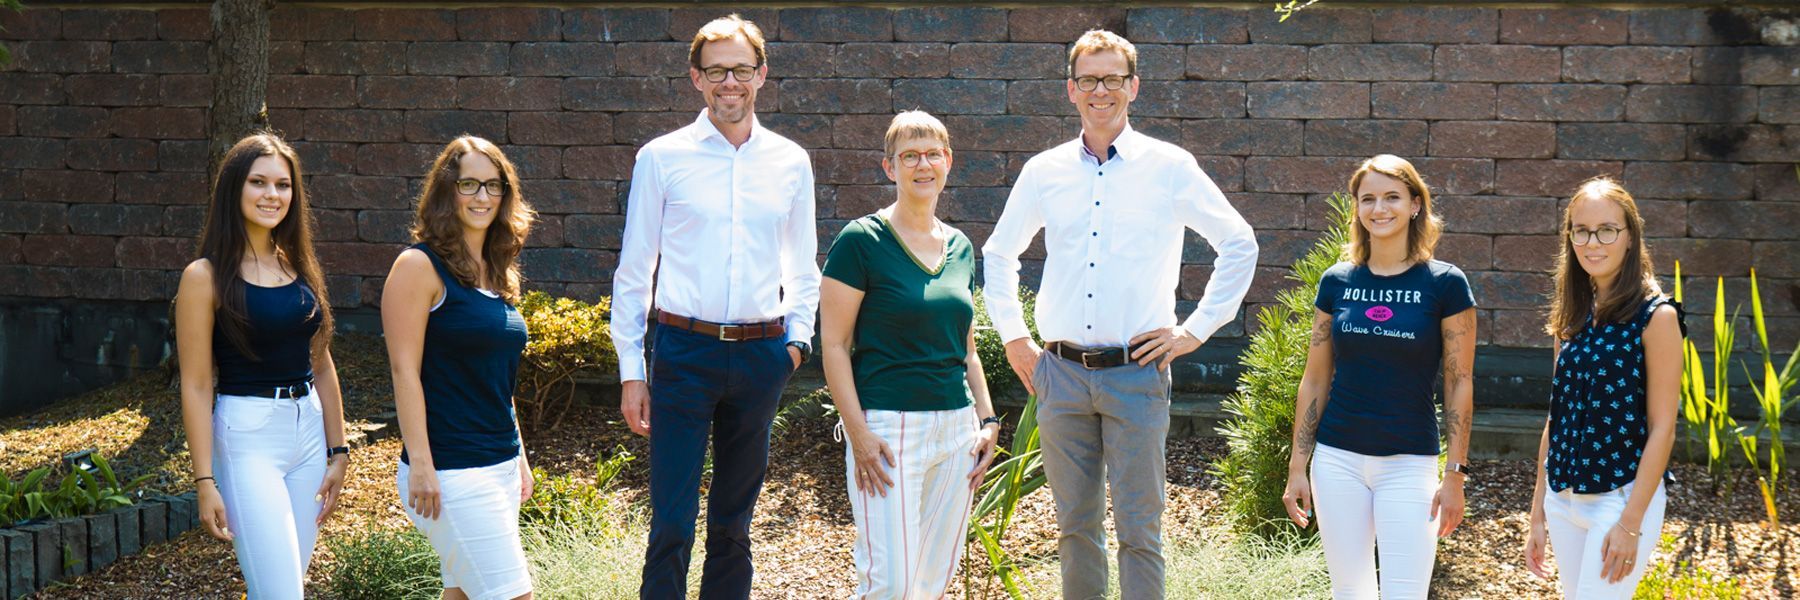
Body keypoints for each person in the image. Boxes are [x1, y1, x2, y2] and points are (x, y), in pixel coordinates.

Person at [981, 29, 1259, 599]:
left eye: (1112, 79)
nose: (1099, 90)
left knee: (1140, 531)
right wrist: (1014, 337)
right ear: (1071, 89)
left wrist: (1194, 331)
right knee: (1075, 529)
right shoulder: (1044, 170)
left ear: (1133, 87)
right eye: (1088, 79)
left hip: (1137, 373)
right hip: (1059, 373)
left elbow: (1240, 243)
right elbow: (999, 252)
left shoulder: (1170, 166)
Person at [609, 14, 820, 600]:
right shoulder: (662, 158)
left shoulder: (789, 160)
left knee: (733, 524)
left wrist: (796, 345)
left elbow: (803, 267)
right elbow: (634, 272)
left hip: (762, 357)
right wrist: (632, 371)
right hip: (683, 352)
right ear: (696, 79)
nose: (731, 82)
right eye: (717, 71)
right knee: (672, 521)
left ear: (762, 74)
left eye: (742, 69)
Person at [819, 111, 1001, 599]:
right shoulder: (861, 241)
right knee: (890, 584)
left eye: (932, 154)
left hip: (957, 430)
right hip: (888, 432)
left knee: (931, 582)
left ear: (948, 162)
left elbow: (966, 346)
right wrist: (858, 433)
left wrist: (988, 419)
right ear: (889, 167)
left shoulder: (961, 246)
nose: (923, 164)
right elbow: (833, 345)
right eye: (909, 156)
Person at [1279, 154, 1477, 599]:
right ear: (1357, 209)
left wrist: (1456, 474)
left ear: (1415, 205)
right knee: (1350, 591)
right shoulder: (1337, 281)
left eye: (1392, 196)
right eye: (1367, 198)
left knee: (1404, 593)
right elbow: (1314, 379)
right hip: (1337, 461)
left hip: (1409, 463)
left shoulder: (1446, 283)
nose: (1379, 208)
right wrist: (1298, 466)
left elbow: (1459, 381)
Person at [174, 132, 349, 599]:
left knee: (289, 585)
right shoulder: (204, 276)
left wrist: (339, 451)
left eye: (283, 185)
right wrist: (204, 480)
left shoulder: (296, 264)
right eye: (259, 182)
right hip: (247, 438)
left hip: (309, 435)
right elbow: (194, 385)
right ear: (235, 188)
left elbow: (322, 363)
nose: (273, 195)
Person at [382, 136, 536, 600]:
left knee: (463, 594)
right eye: (469, 184)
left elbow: (497, 378)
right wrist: (421, 465)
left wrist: (520, 457)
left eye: (494, 186)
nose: (483, 197)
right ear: (447, 191)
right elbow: (403, 371)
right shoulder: (418, 266)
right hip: (451, 471)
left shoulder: (498, 269)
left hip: (500, 464)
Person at [1523, 178, 1681, 599]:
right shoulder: (1573, 314)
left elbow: (1663, 427)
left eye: (1607, 230)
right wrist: (1537, 511)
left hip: (1621, 498)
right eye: (1581, 230)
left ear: (1630, 237)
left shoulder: (1657, 316)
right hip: (1563, 499)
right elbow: (1556, 417)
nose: (1593, 242)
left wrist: (1631, 522)